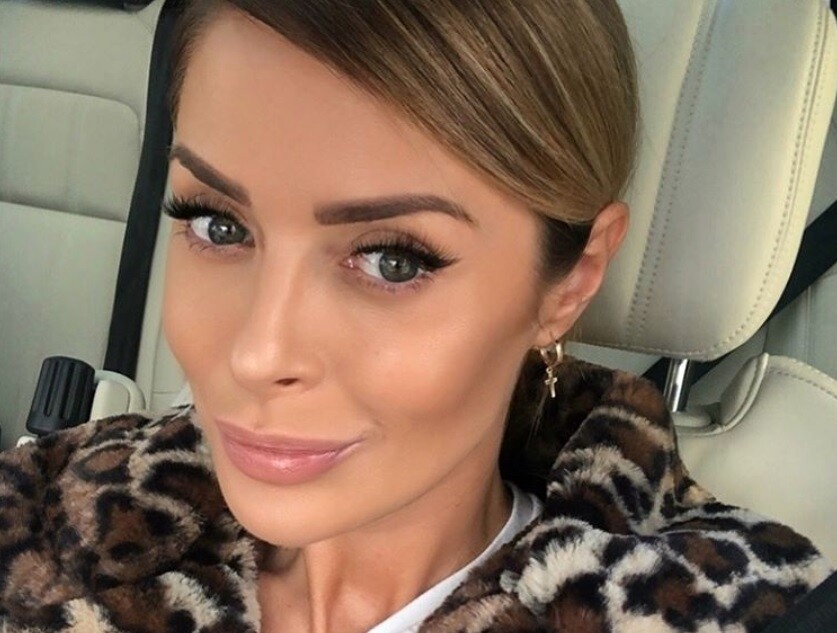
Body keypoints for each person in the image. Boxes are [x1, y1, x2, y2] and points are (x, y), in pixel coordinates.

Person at [0, 1, 831, 632]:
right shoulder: (46, 508)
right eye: (217, 224)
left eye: (392, 260)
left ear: (570, 282)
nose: (258, 352)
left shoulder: (732, 608)